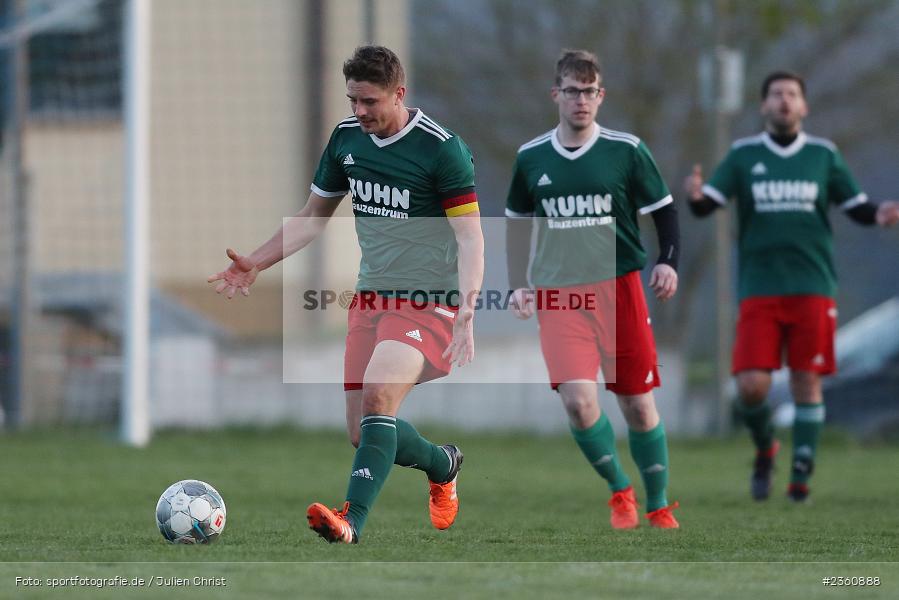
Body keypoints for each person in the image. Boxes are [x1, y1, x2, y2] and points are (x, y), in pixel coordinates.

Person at [208, 46, 484, 543]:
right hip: (371, 300)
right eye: (353, 100)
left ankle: (350, 522)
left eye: (370, 101)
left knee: (380, 393)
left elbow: (470, 236)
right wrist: (256, 261)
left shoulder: (441, 149)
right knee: (363, 434)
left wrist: (468, 307)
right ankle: (443, 463)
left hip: (428, 300)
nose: (359, 111)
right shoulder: (345, 139)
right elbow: (313, 217)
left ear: (399, 94)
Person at [685, 71, 899, 502]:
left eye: (792, 95)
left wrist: (880, 214)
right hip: (760, 288)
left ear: (804, 106)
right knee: (751, 387)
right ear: (764, 105)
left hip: (811, 285)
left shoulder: (823, 155)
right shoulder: (744, 156)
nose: (784, 101)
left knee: (807, 380)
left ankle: (801, 470)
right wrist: (694, 196)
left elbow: (855, 205)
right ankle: (766, 448)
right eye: (777, 94)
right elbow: (709, 203)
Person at [505, 49, 681, 529]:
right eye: (572, 90)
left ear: (600, 97)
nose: (581, 100)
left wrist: (668, 262)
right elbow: (518, 223)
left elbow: (664, 210)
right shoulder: (531, 156)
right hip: (560, 295)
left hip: (620, 288)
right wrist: (518, 283)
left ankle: (659, 502)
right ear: (556, 94)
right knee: (580, 403)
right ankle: (620, 490)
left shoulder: (626, 150)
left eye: (589, 91)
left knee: (637, 405)